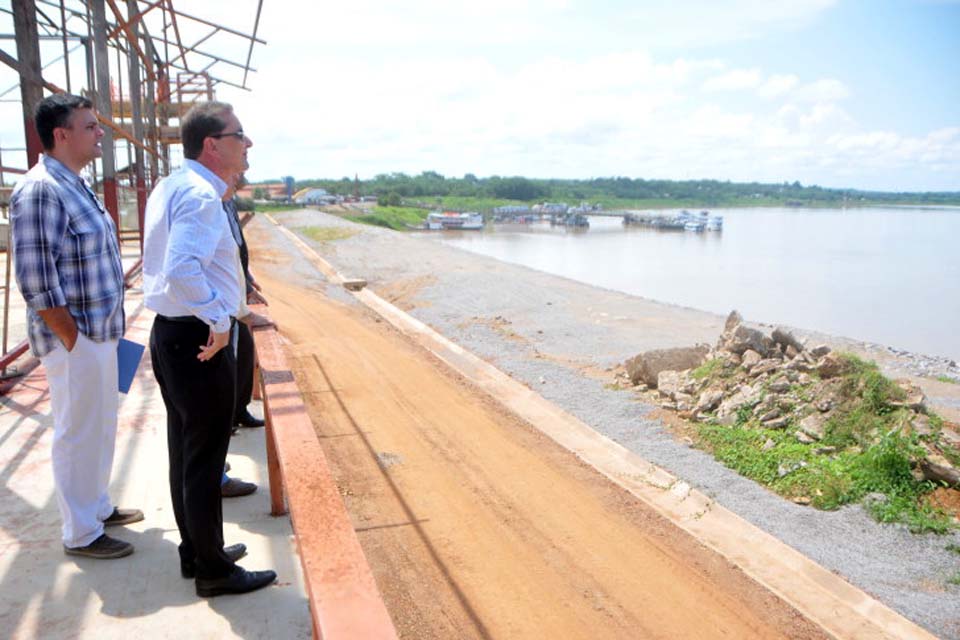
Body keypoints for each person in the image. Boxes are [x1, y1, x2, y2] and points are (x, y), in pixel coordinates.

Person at [142, 101, 275, 596]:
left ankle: (199, 552)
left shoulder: (175, 184)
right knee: (203, 457)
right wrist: (220, 319)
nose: (249, 143)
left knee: (186, 450)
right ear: (212, 145)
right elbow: (181, 267)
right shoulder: (200, 196)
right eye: (240, 135)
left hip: (172, 333)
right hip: (198, 337)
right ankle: (214, 573)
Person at [10, 93, 142, 559]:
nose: (99, 132)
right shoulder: (41, 188)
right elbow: (35, 278)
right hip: (77, 338)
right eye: (90, 126)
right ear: (61, 135)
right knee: (77, 430)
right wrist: (72, 338)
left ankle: (98, 506)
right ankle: (81, 532)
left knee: (101, 424)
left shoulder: (76, 184)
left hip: (101, 332)